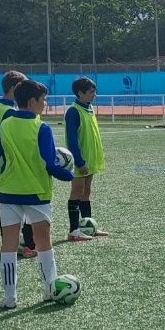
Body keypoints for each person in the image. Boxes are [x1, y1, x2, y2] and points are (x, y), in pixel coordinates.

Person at [0, 80, 75, 309]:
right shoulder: (42, 128)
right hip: (37, 194)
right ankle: (49, 291)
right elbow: (49, 163)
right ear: (33, 101)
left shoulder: (4, 126)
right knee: (44, 243)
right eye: (44, 99)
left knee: (9, 245)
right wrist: (69, 176)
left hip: (9, 193)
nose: (46, 103)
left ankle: (9, 298)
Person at [0, 70, 38, 258]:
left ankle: (15, 242)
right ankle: (16, 243)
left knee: (10, 204)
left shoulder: (0, 107)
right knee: (14, 205)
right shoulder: (10, 112)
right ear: (13, 88)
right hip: (11, 165)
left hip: (4, 164)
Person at [65, 77, 108, 241]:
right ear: (80, 93)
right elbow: (72, 140)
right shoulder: (73, 111)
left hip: (90, 160)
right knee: (77, 192)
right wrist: (79, 161)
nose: (94, 95)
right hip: (80, 161)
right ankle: (73, 231)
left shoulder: (89, 108)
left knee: (86, 192)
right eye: (91, 92)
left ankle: (89, 227)